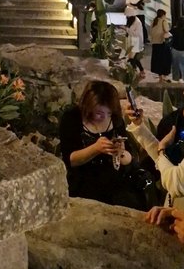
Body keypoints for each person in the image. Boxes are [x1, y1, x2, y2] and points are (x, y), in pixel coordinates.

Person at [59, 80, 146, 210]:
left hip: (116, 183)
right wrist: (95, 148)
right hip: (84, 183)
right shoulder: (72, 118)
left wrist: (120, 152)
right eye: (99, 113)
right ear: (88, 107)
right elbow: (70, 160)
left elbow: (128, 160)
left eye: (108, 113)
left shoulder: (115, 119)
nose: (104, 117)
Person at [126, 103, 184, 209]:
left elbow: (175, 182)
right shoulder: (172, 120)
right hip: (173, 207)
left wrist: (161, 150)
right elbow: (164, 163)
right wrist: (139, 126)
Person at [150, 9, 172, 82]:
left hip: (154, 43)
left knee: (157, 60)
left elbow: (151, 31)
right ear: (163, 15)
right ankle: (164, 76)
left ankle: (160, 77)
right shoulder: (163, 21)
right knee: (165, 60)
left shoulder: (154, 21)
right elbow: (167, 30)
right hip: (162, 43)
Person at [171, 17, 184, 82]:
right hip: (183, 50)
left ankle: (176, 79)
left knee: (175, 65)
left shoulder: (174, 30)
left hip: (175, 50)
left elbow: (168, 36)